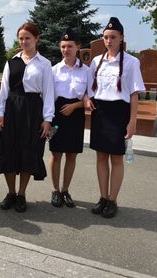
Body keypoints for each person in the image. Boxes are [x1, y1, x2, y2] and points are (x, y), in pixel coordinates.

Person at [85, 17, 145, 218]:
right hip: (101, 112)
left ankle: (113, 199)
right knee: (101, 156)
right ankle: (103, 197)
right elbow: (88, 87)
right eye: (106, 37)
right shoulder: (96, 61)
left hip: (120, 112)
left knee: (116, 158)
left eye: (113, 37)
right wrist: (87, 99)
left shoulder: (131, 62)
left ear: (121, 38)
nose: (109, 41)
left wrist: (133, 120)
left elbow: (134, 93)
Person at [0, 22, 54, 212]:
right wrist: (0, 113)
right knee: (8, 150)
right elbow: (4, 90)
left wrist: (47, 119)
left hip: (33, 111)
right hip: (12, 110)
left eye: (28, 37)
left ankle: (21, 194)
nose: (24, 41)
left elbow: (49, 93)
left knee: (28, 151)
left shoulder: (44, 64)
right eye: (21, 38)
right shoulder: (11, 61)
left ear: (37, 39)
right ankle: (11, 192)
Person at [49, 28, 93, 209]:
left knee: (71, 155)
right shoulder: (53, 70)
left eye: (70, 46)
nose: (66, 50)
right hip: (57, 115)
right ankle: (55, 190)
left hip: (75, 116)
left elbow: (91, 98)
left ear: (78, 48)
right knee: (55, 154)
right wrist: (48, 119)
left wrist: (75, 106)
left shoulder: (86, 72)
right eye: (63, 46)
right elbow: (49, 96)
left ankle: (65, 190)